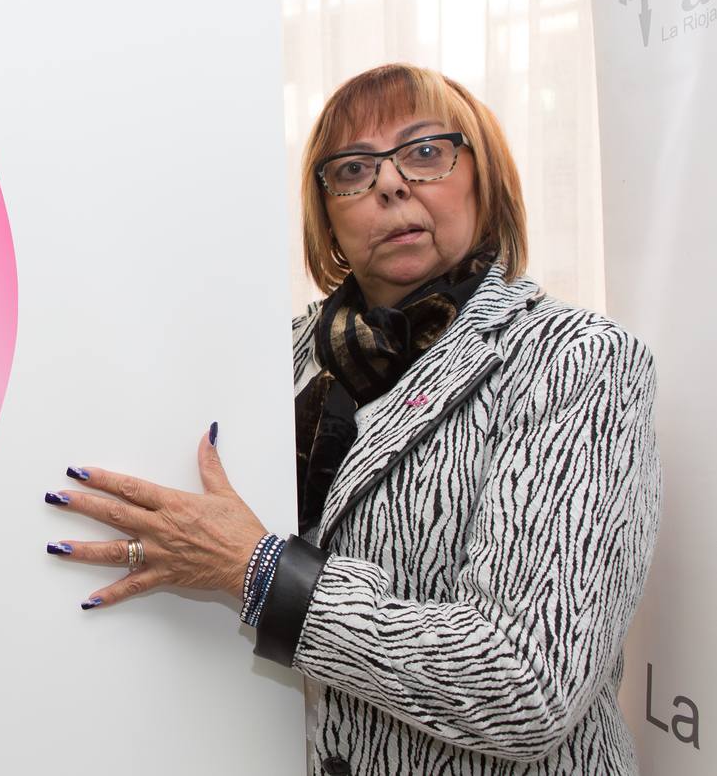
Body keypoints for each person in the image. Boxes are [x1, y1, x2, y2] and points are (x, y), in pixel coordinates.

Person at [43, 63, 661, 775]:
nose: (391, 184)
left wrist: (258, 572)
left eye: (425, 153)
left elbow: (525, 686)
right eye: (353, 169)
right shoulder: (274, 357)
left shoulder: (580, 360)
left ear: (483, 179)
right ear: (328, 214)